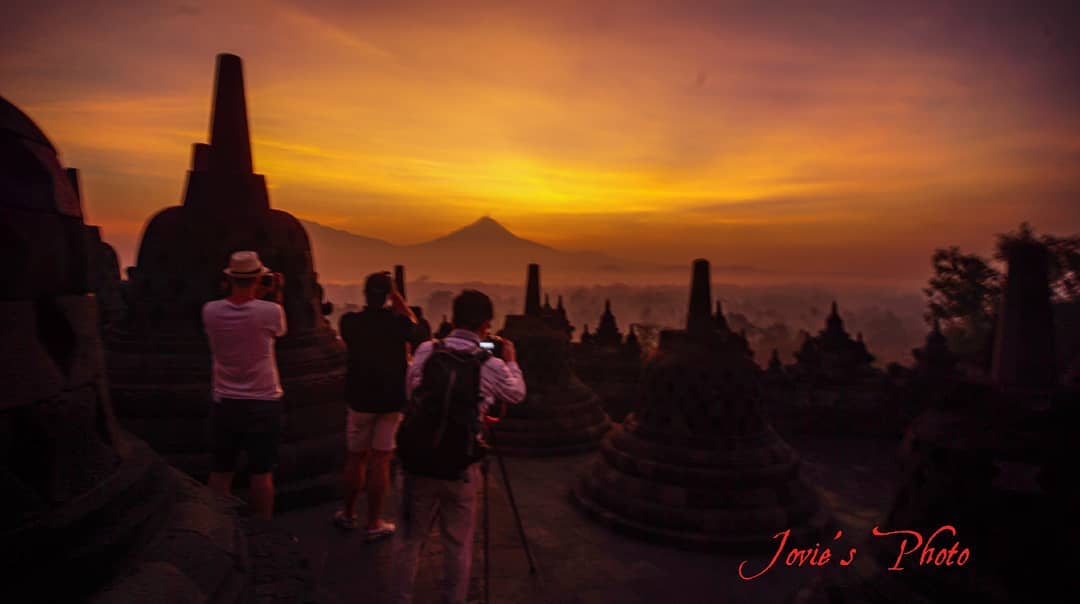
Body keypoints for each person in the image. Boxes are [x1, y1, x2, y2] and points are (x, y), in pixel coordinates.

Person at [390, 289, 526, 604]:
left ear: (452, 320)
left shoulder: (426, 351)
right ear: (486, 326)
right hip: (460, 466)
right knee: (457, 544)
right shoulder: (490, 365)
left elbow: (411, 393)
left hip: (417, 462)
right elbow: (516, 395)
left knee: (408, 540)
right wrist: (512, 362)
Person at [202, 250, 287, 520]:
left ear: (228, 279)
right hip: (263, 403)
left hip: (225, 402)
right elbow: (277, 329)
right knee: (261, 474)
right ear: (259, 279)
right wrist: (274, 292)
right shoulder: (271, 311)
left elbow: (243, 310)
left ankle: (215, 528)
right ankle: (264, 534)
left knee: (220, 471)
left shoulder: (210, 311)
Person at [334, 271, 417, 539]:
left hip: (359, 398)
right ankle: (373, 523)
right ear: (388, 296)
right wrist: (398, 297)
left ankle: (348, 514)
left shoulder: (350, 322)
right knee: (381, 459)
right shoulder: (397, 323)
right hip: (391, 400)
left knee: (355, 458)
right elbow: (414, 326)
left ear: (365, 294)